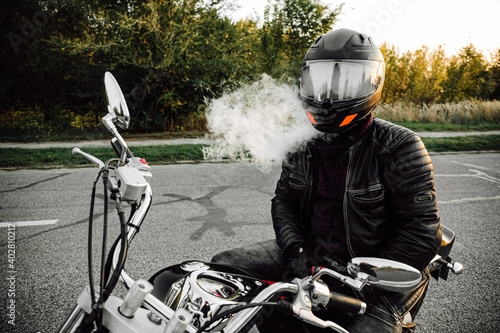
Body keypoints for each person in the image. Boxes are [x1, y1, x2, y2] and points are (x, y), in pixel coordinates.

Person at [211, 28, 442, 333]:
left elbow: (420, 235)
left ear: (372, 83)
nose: (329, 97)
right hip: (314, 253)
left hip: (379, 277)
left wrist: (360, 284)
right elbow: (284, 201)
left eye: (343, 84)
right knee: (225, 267)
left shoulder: (399, 146)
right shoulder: (303, 143)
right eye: (321, 82)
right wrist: (296, 251)